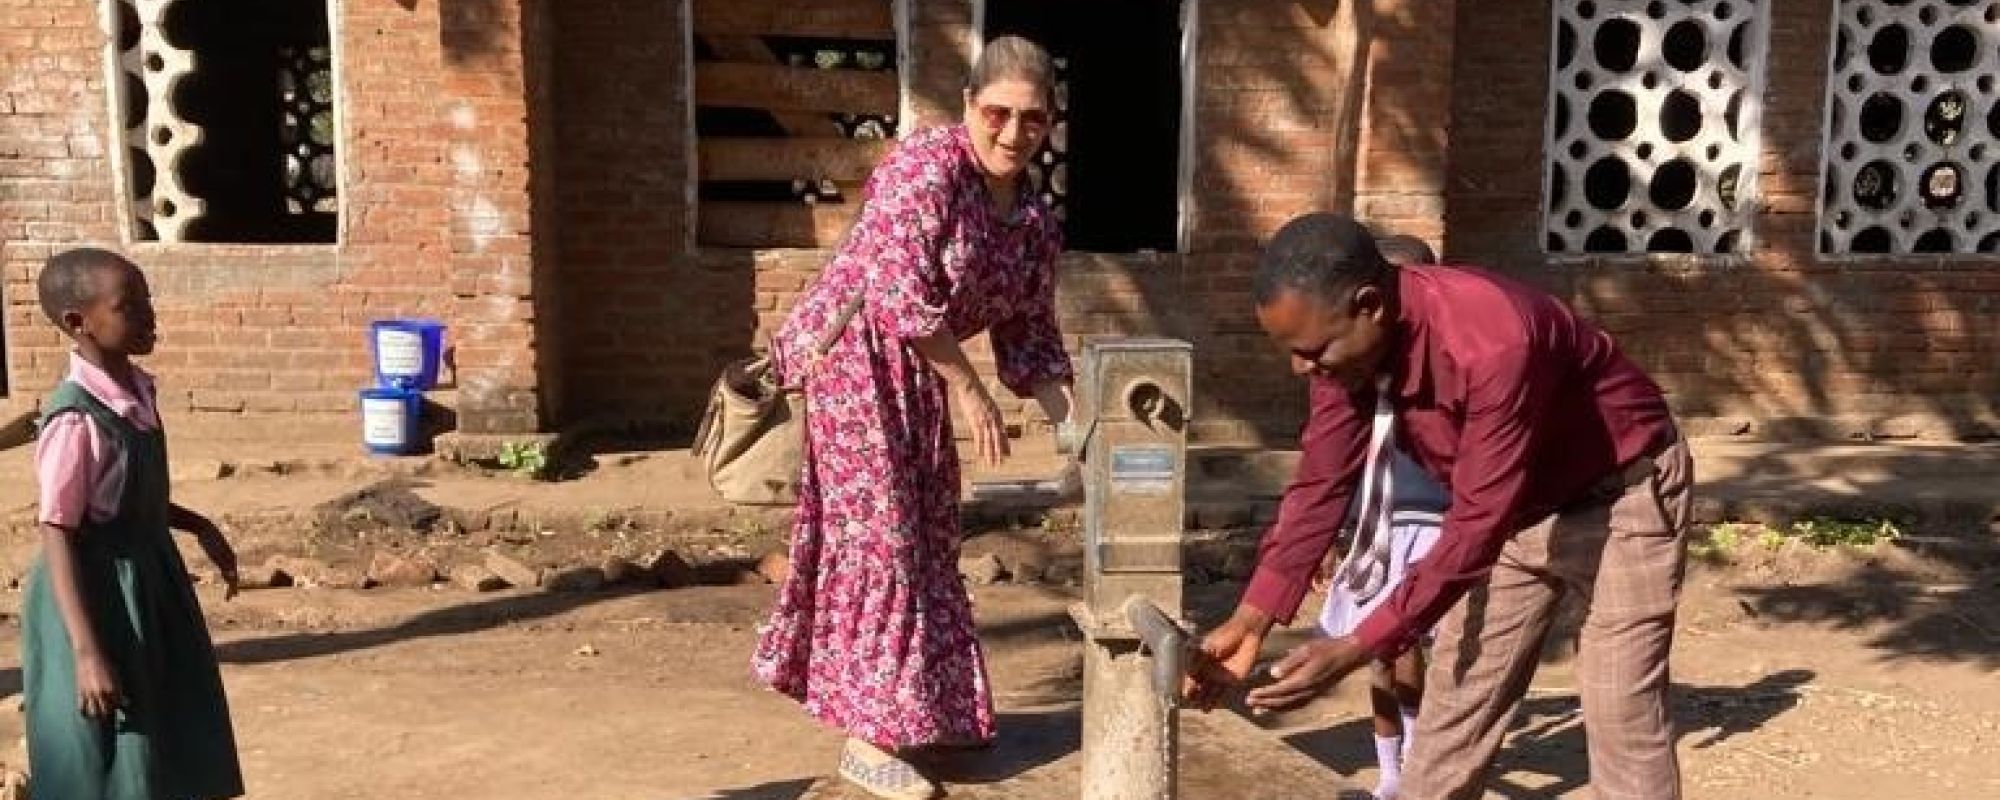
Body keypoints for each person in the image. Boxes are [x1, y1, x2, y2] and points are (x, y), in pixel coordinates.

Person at [1187, 214, 1694, 800]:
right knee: (1456, 700)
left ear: (1369, 305)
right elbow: (1320, 484)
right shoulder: (1342, 353)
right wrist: (1253, 617)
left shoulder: (1493, 341)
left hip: (1621, 498)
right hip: (1517, 514)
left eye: (1312, 350)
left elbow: (1476, 523)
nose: (1302, 367)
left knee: (1619, 702)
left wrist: (1359, 644)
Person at [751, 36, 1076, 800]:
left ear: (1050, 124)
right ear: (968, 106)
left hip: (922, 369)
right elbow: (897, 293)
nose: (1012, 132)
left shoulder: (1032, 217)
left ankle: (933, 711)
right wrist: (968, 389)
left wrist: (1084, 432)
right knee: (885, 541)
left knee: (931, 532)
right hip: (856, 362)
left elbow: (1030, 335)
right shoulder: (926, 168)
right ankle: (867, 738)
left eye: (1032, 119)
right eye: (997, 112)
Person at [23, 247, 245, 799]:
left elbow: (125, 498)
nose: (150, 316)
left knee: (174, 730)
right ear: (79, 323)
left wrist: (197, 525)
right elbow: (59, 529)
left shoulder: (137, 391)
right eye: (130, 306)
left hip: (151, 582)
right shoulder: (76, 420)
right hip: (95, 595)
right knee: (113, 748)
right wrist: (87, 653)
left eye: (149, 300)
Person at [1308, 233, 1446, 800]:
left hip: (1437, 525)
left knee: (1407, 647)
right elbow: (1333, 464)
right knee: (1381, 657)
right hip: (1377, 527)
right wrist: (1329, 535)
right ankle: (1392, 775)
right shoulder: (1351, 368)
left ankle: (1418, 764)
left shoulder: (1444, 364)